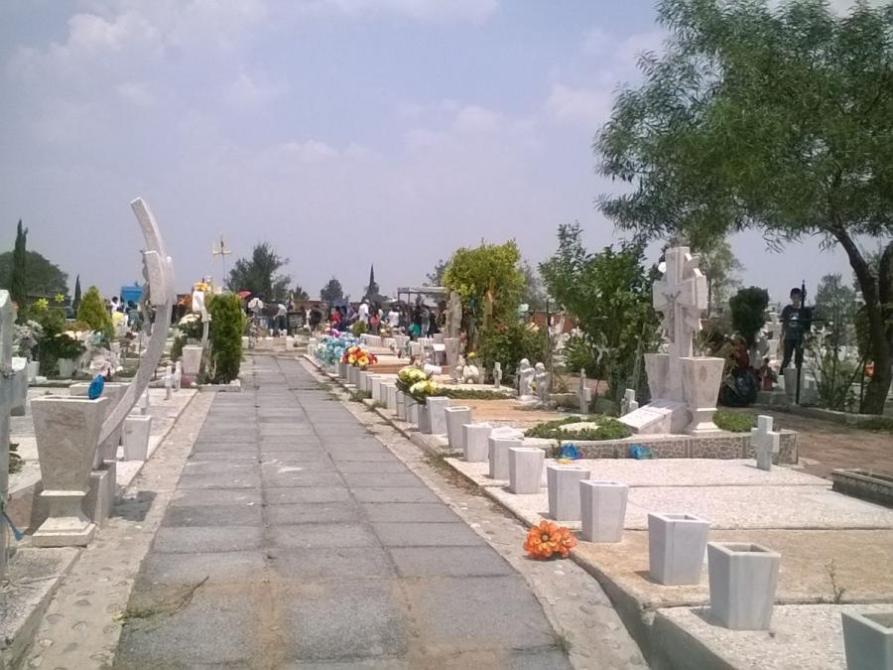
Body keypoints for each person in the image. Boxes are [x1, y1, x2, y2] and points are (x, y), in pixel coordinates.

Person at [780, 287, 810, 370]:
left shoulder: (804, 311)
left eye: (797, 297)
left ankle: (797, 378)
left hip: (799, 338)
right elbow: (784, 324)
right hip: (789, 338)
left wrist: (806, 339)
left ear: (800, 298)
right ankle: (782, 376)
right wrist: (781, 338)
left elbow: (807, 326)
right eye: (794, 297)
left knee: (798, 360)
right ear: (791, 297)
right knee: (786, 359)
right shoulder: (787, 309)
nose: (796, 300)